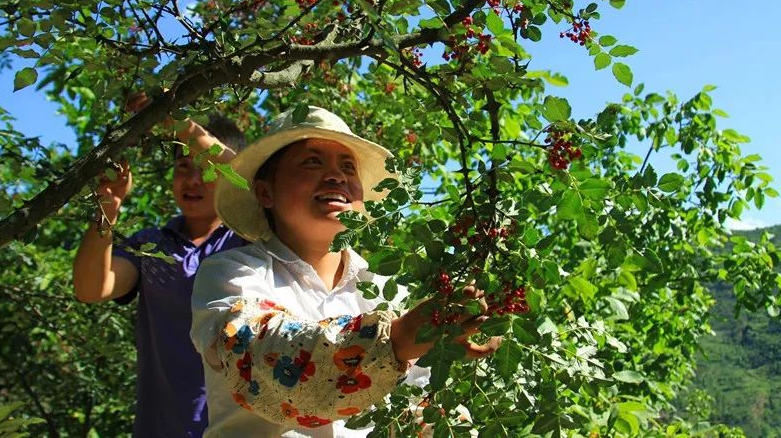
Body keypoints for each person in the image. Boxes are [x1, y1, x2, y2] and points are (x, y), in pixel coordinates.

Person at [190, 106, 498, 436]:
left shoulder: (384, 291)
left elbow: (416, 409)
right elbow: (259, 352)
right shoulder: (233, 274)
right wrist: (394, 341)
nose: (337, 176)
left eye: (348, 167)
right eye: (313, 161)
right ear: (266, 191)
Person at [73, 109, 249, 438]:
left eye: (206, 169)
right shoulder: (150, 244)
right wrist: (106, 211)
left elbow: (251, 180)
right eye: (183, 167)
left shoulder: (249, 238)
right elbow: (91, 288)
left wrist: (176, 122)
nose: (193, 180)